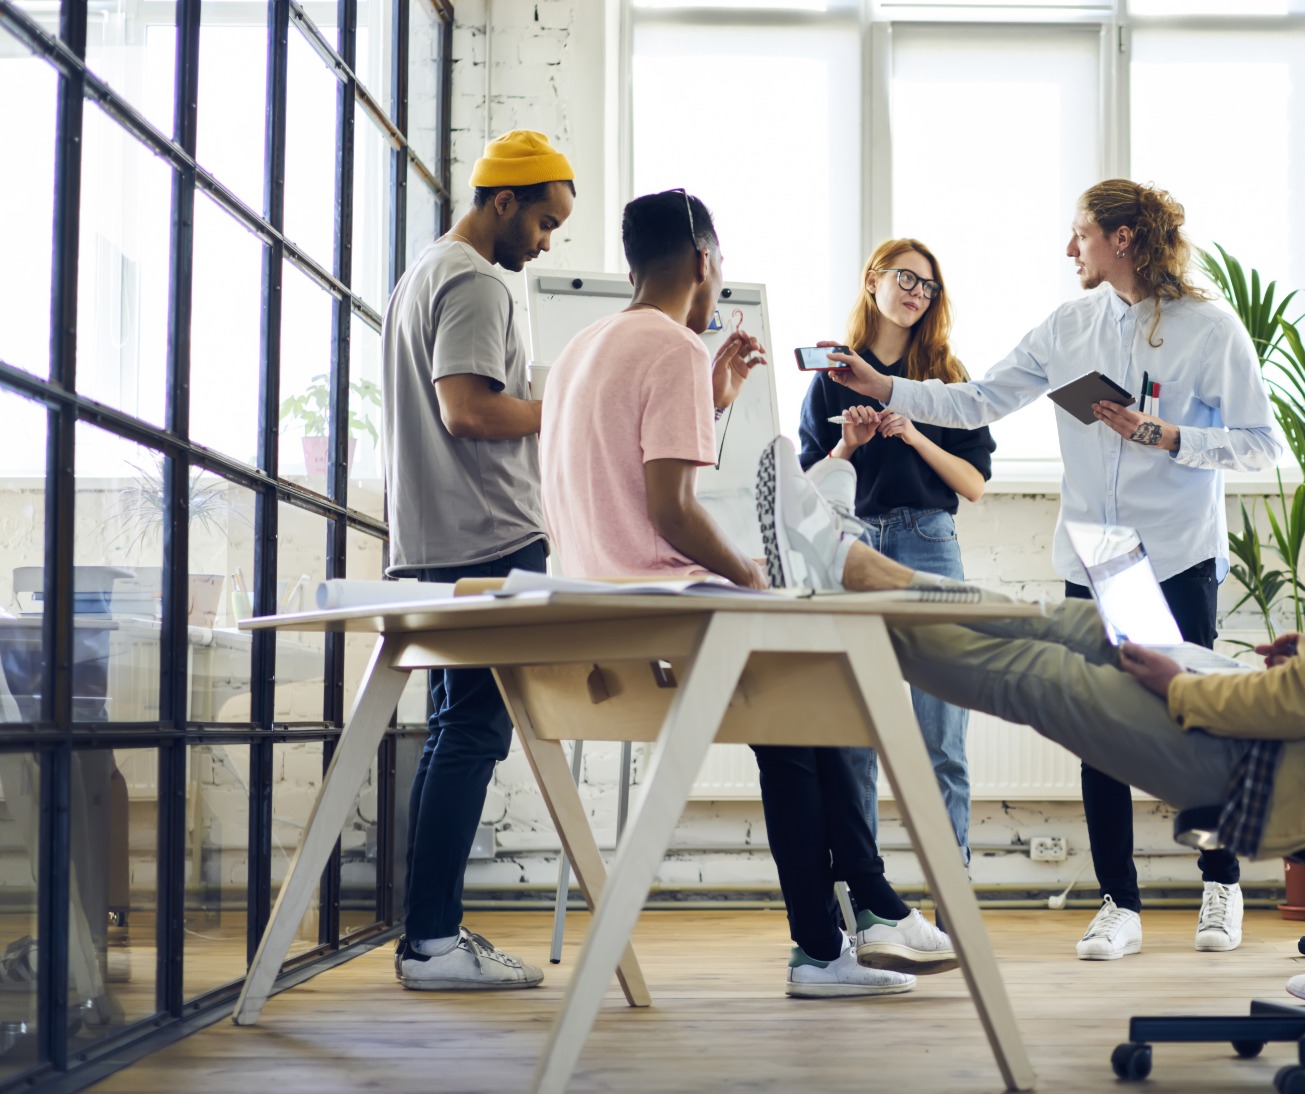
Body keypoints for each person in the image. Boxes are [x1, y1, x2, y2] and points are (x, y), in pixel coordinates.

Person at [756, 308, 1305, 1008]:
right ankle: (868, 571)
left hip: (1299, 772)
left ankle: (847, 587)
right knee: (1067, 627)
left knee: (1043, 671)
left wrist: (1187, 689)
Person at [823, 181, 1279, 960]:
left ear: (1124, 238)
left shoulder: (1211, 329)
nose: (1070, 251)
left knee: (1202, 719)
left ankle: (1220, 881)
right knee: (1095, 726)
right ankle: (1118, 902)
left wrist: (1170, 438)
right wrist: (886, 387)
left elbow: (1261, 443)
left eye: (1081, 236)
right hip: (1097, 556)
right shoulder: (1069, 326)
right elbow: (977, 401)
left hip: (1176, 552)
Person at [539, 187, 958, 998]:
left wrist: (714, 400)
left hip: (600, 611)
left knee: (803, 715)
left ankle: (845, 929)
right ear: (704, 262)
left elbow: (618, 480)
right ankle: (849, 922)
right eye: (719, 264)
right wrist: (750, 575)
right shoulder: (671, 349)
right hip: (675, 607)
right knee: (824, 690)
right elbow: (671, 511)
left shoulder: (584, 347)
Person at [382, 129, 574, 992]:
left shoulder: (422, 273)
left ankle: (431, 935)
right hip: (487, 539)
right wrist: (561, 407)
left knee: (455, 734)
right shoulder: (474, 283)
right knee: (474, 734)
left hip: (435, 541)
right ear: (503, 201)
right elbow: (470, 412)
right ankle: (431, 942)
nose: (544, 244)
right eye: (542, 224)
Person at [799, 240, 995, 861]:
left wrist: (913, 433)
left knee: (942, 742)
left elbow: (974, 484)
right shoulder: (831, 377)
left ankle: (951, 898)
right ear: (873, 281)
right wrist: (848, 448)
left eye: (929, 286)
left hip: (929, 544)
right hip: (854, 546)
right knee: (856, 740)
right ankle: (868, 902)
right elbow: (803, 494)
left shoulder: (948, 378)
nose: (917, 292)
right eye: (906, 278)